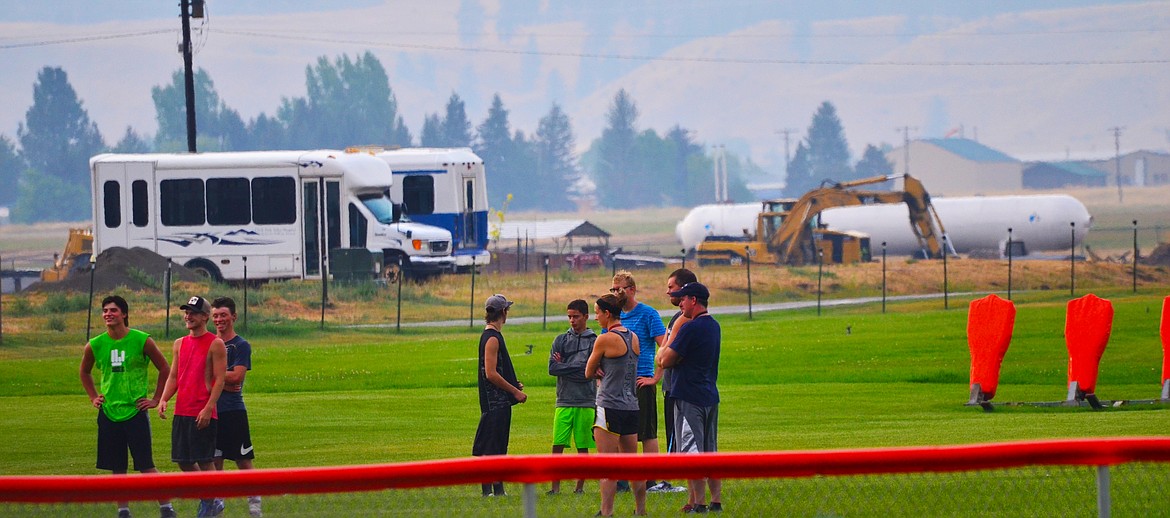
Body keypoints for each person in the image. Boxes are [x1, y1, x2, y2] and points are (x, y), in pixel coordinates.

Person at [79, 295, 178, 518]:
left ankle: (166, 507)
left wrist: (155, 399)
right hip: (109, 413)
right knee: (117, 467)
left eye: (113, 310)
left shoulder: (141, 340)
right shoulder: (95, 344)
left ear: (124, 314)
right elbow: (84, 371)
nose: (108, 314)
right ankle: (123, 510)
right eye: (105, 311)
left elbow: (164, 368)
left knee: (145, 465)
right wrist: (94, 397)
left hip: (135, 411)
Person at [158, 295, 228, 518]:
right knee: (183, 461)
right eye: (186, 312)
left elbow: (220, 379)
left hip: (202, 410)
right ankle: (210, 498)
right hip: (182, 410)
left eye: (193, 312)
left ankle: (211, 500)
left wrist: (209, 408)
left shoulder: (215, 344)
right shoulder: (179, 343)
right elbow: (173, 376)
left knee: (205, 460)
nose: (188, 316)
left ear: (205, 317)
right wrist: (164, 398)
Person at [657, 282, 723, 513]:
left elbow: (664, 360)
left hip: (688, 396)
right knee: (710, 450)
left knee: (692, 452)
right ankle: (716, 500)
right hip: (709, 394)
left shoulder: (689, 328)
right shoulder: (714, 326)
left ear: (693, 300)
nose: (680, 303)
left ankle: (700, 503)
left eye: (682, 298)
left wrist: (667, 347)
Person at [586, 292, 647, 517]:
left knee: (607, 466)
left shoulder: (604, 339)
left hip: (609, 405)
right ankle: (641, 511)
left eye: (597, 313)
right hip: (631, 406)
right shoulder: (634, 337)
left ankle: (606, 512)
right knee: (633, 465)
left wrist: (599, 371)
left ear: (607, 313)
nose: (596, 318)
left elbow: (588, 371)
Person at [609, 271, 667, 492]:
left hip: (641, 380)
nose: (616, 293)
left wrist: (655, 377)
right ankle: (626, 478)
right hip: (618, 384)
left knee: (646, 432)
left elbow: (665, 346)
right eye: (613, 289)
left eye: (619, 289)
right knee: (622, 433)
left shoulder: (648, 314)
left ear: (631, 290)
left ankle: (653, 479)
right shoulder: (614, 315)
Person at [209, 297, 262, 518]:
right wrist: (223, 379)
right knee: (215, 461)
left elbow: (237, 376)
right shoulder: (210, 343)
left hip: (233, 411)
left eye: (223, 315)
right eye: (215, 316)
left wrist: (212, 376)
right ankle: (217, 507)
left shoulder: (240, 345)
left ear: (234, 317)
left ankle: (255, 507)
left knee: (242, 460)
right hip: (211, 411)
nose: (219, 319)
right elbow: (227, 378)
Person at [651, 268, 700, 496]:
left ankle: (669, 480)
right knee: (672, 433)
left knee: (681, 438)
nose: (668, 291)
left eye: (671, 287)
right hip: (670, 386)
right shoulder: (676, 317)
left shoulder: (685, 320)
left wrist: (662, 356)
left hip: (681, 389)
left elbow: (665, 354)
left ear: (685, 289)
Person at [473, 293, 527, 497]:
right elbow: (491, 373)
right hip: (496, 403)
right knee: (493, 448)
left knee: (493, 445)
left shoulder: (491, 336)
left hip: (495, 401)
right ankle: (493, 491)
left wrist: (513, 383)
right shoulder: (492, 338)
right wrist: (514, 391)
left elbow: (497, 370)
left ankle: (494, 489)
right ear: (503, 312)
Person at [547, 299, 597, 495]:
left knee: (582, 448)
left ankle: (579, 488)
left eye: (576, 316)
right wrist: (581, 368)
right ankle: (554, 488)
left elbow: (591, 374)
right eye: (569, 316)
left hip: (586, 401)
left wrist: (566, 367)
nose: (572, 320)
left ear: (586, 316)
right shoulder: (560, 340)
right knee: (557, 445)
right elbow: (553, 368)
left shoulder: (594, 341)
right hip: (564, 400)